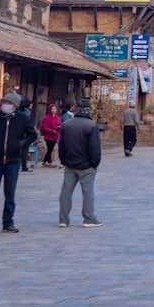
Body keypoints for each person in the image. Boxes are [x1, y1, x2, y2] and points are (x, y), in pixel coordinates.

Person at [0, 91, 37, 234]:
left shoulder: (22, 119)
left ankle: (8, 223)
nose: (6, 105)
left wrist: (21, 144)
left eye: (9, 103)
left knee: (10, 194)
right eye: (4, 102)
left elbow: (32, 135)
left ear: (15, 105)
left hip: (13, 161)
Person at [58, 98, 102, 229]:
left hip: (70, 164)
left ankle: (63, 220)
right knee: (88, 193)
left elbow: (61, 146)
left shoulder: (66, 125)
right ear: (88, 110)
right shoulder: (91, 126)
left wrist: (64, 161)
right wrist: (94, 163)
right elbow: (95, 148)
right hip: (86, 166)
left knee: (66, 192)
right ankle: (89, 218)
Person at [40, 103, 62, 168]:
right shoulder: (46, 118)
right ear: (50, 110)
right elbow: (44, 127)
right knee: (50, 149)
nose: (54, 110)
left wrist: (58, 127)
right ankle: (50, 162)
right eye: (52, 109)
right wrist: (51, 130)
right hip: (48, 136)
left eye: (55, 109)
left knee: (50, 150)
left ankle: (44, 162)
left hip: (55, 136)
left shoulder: (57, 118)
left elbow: (59, 124)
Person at [17, 98, 34, 172]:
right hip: (25, 134)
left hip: (17, 133)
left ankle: (16, 165)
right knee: (24, 151)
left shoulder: (17, 111)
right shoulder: (27, 113)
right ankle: (24, 166)